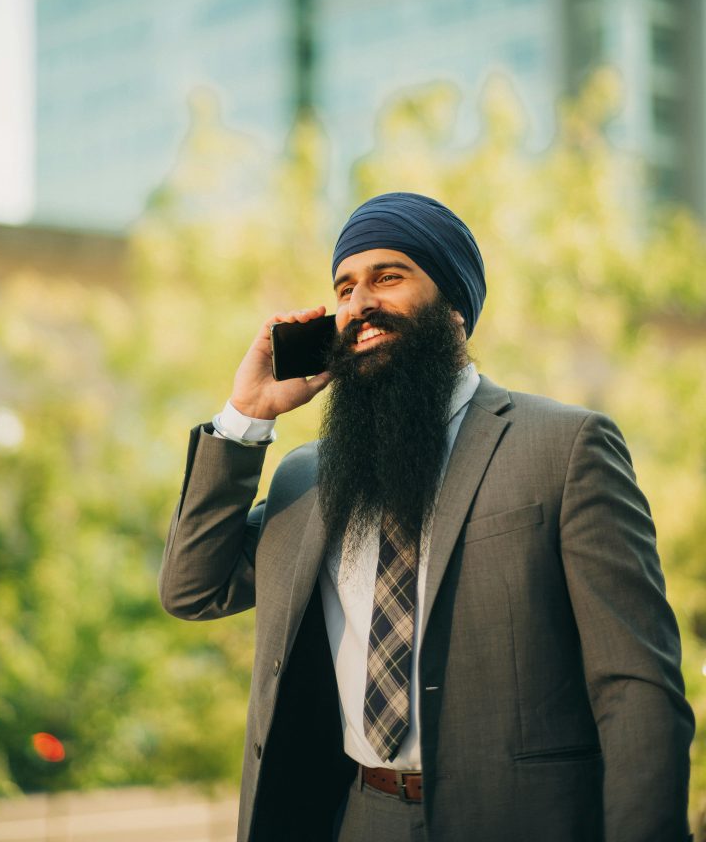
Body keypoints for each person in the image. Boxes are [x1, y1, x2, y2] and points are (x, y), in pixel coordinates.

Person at [159, 192, 694, 842]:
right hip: (358, 817)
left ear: (456, 307)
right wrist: (249, 413)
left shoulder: (565, 448)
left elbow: (636, 686)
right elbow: (194, 588)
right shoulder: (308, 476)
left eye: (390, 276)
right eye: (345, 288)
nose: (360, 304)